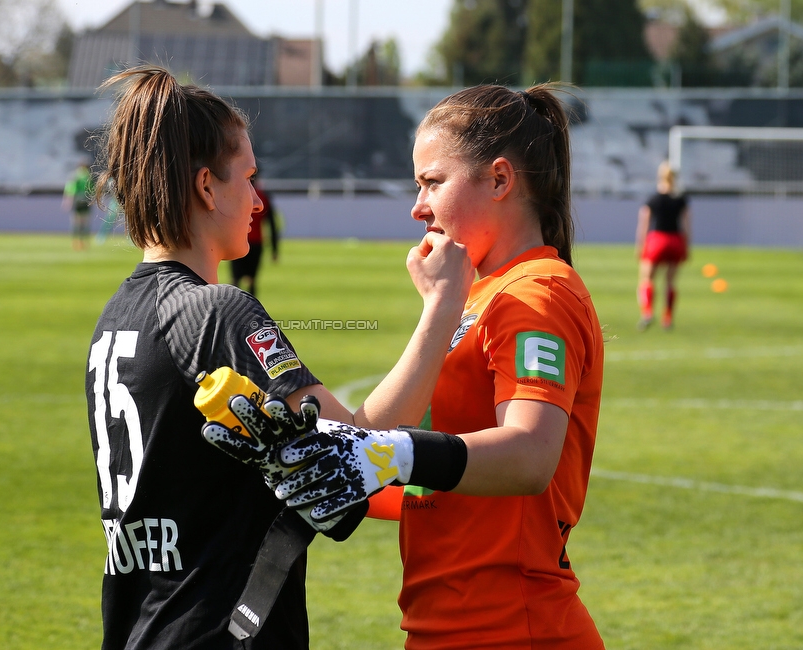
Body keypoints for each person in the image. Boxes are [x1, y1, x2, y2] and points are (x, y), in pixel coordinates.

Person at [84, 66, 472, 650]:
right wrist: (442, 308)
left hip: (143, 628)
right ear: (207, 187)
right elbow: (352, 448)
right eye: (249, 177)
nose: (259, 200)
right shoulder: (217, 312)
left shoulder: (113, 317)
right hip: (220, 631)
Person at [206, 84, 606, 649]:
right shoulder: (481, 294)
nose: (416, 206)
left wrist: (394, 452)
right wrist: (336, 473)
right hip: (450, 626)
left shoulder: (537, 293)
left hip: (514, 628)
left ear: (499, 179)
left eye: (431, 183)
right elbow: (448, 486)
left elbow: (530, 455)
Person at [636, 160, 690, 330]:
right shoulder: (681, 199)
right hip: (675, 240)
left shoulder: (653, 199)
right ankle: (667, 317)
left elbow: (644, 224)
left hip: (657, 240)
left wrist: (641, 246)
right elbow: (687, 225)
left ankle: (647, 312)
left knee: (647, 279)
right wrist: (686, 246)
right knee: (670, 282)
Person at [230, 175, 278, 295]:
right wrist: (274, 249)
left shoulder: (236, 195)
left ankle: (231, 310)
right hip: (256, 243)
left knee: (236, 278)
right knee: (252, 280)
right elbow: (271, 224)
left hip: (238, 241)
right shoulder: (262, 197)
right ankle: (251, 310)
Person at [63, 159, 95, 250]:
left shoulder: (76, 176)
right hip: (86, 201)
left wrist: (68, 202)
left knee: (76, 223)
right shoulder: (88, 176)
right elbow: (92, 191)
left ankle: (76, 242)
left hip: (77, 201)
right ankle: (85, 242)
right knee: (85, 223)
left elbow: (71, 190)